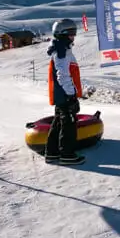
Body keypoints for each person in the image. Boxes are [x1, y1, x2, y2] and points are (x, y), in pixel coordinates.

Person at [45, 19, 85, 165]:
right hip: (64, 93)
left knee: (58, 122)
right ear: (62, 35)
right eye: (71, 34)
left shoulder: (61, 48)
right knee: (68, 123)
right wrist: (71, 95)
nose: (73, 37)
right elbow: (62, 75)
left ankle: (52, 152)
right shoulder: (62, 51)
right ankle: (67, 154)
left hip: (60, 93)